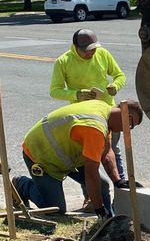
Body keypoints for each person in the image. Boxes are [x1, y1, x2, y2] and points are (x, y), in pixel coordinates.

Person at [12, 100, 143, 217]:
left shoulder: (104, 113)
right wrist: (99, 209)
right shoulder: (95, 128)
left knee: (102, 185)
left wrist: (118, 181)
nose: (128, 131)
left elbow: (107, 152)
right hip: (42, 156)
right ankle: (22, 185)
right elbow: (91, 174)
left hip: (66, 155)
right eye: (131, 126)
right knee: (55, 209)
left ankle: (109, 219)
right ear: (128, 118)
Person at [50, 29, 128, 194]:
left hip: (107, 112)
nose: (91, 53)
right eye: (87, 50)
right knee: (87, 159)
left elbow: (120, 75)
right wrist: (76, 94)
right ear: (76, 47)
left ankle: (122, 191)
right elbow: (55, 91)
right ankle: (90, 196)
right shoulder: (63, 61)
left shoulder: (102, 54)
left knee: (113, 151)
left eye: (93, 49)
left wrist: (115, 87)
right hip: (83, 117)